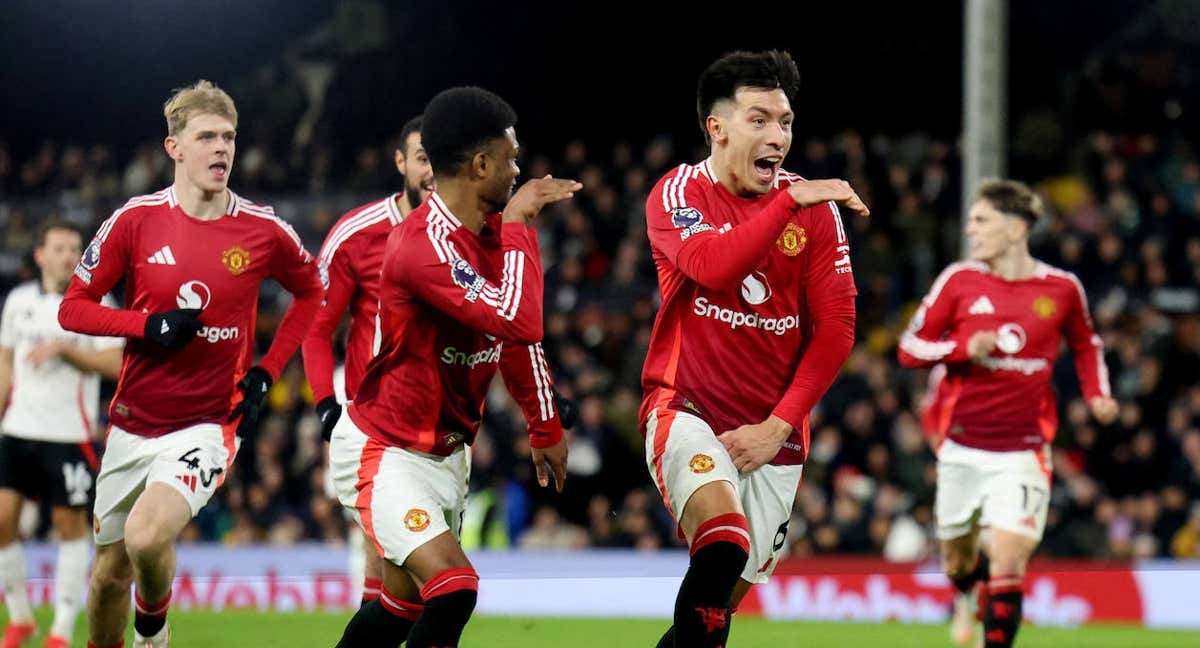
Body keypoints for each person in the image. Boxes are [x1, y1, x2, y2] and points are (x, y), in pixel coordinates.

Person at [57, 80, 323, 648]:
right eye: (206, 137)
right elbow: (72, 308)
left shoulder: (264, 229)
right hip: (131, 421)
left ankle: (153, 629)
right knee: (106, 580)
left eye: (228, 137)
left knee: (147, 536)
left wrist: (267, 372)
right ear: (173, 148)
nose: (221, 149)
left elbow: (312, 293)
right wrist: (145, 325)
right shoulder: (135, 219)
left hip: (207, 422)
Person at [327, 86, 576, 648]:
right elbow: (518, 319)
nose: (518, 171)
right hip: (384, 448)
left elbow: (514, 343)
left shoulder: (489, 239)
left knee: (399, 608)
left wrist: (545, 425)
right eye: (511, 158)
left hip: (445, 455)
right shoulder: (419, 245)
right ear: (481, 163)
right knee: (455, 587)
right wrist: (519, 227)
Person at [640, 50, 869, 648]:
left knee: (712, 616)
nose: (778, 136)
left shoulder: (813, 211)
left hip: (776, 435)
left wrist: (777, 426)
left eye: (786, 122)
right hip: (685, 409)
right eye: (759, 120)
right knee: (722, 542)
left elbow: (838, 329)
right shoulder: (677, 194)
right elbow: (715, 267)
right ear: (716, 128)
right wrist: (789, 203)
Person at [897, 179, 1118, 648]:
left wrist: (1097, 393)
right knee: (958, 561)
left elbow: (1085, 344)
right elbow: (909, 348)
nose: (971, 230)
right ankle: (963, 596)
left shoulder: (1061, 288)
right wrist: (961, 347)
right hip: (960, 448)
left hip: (1025, 451)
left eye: (981, 220)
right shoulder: (958, 280)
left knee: (1008, 559)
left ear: (1016, 229)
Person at [302, 115, 434, 609]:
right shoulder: (358, 233)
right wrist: (323, 400)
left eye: (440, 160)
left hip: (444, 427)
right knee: (389, 558)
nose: (431, 172)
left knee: (424, 581)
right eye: (422, 159)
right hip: (374, 420)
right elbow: (316, 327)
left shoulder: (475, 233)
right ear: (400, 162)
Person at [0, 221, 124, 648]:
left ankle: (60, 631)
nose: (69, 255)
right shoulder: (18, 303)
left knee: (69, 528)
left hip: (68, 434)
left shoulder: (96, 301)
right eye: (59, 247)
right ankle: (20, 618)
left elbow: (116, 364)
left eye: (75, 248)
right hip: (17, 429)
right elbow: (5, 366)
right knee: (1, 523)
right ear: (40, 255)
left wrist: (66, 350)